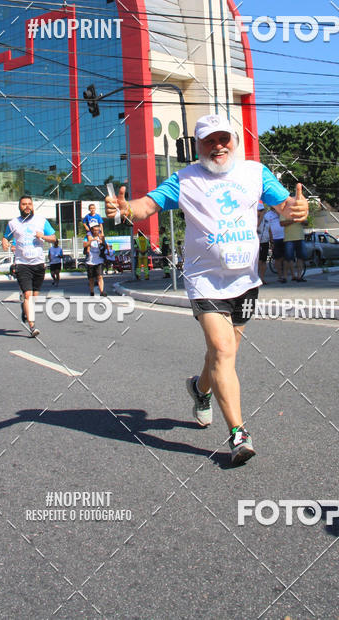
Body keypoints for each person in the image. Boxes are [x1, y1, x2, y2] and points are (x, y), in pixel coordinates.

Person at [105, 113, 309, 467]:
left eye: (223, 139)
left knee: (222, 355)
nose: (217, 146)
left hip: (245, 282)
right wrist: (127, 209)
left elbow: (285, 208)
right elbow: (146, 205)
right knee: (221, 347)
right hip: (204, 280)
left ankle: (200, 390)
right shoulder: (184, 180)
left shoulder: (255, 173)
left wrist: (296, 208)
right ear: (197, 146)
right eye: (208, 141)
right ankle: (238, 434)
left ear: (234, 140)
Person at [2, 194, 56, 337]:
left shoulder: (42, 221)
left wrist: (43, 236)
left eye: (29, 204)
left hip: (38, 264)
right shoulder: (13, 223)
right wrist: (5, 242)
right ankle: (32, 327)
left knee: (34, 297)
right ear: (19, 207)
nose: (27, 206)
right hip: (22, 263)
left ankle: (25, 308)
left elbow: (54, 239)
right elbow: (5, 237)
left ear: (33, 206)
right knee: (28, 294)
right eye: (24, 204)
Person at [264, 205, 286, 282]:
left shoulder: (282, 213)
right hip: (275, 239)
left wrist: (279, 212)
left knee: (285, 258)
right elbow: (267, 228)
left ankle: (285, 275)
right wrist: (271, 240)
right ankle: (280, 276)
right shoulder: (267, 215)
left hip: (285, 237)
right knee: (278, 258)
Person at [83, 226, 107, 296]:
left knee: (100, 276)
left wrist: (102, 242)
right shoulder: (88, 237)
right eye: (95, 230)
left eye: (98, 230)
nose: (96, 232)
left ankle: (102, 291)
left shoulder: (101, 237)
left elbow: (105, 246)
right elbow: (84, 245)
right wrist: (92, 240)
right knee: (91, 278)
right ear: (92, 231)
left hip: (99, 260)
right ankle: (92, 291)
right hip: (90, 260)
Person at [256, 204, 271, 283]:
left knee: (263, 261)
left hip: (265, 241)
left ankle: (262, 278)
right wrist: (260, 218)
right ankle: (256, 277)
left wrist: (271, 241)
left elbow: (269, 230)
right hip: (257, 242)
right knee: (258, 261)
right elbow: (256, 226)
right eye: (260, 211)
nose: (261, 212)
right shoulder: (253, 219)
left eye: (262, 211)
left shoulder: (267, 219)